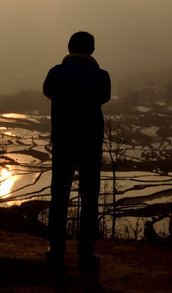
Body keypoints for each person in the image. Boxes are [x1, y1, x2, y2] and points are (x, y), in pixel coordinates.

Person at [43, 31, 111, 270]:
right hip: (91, 143)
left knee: (59, 197)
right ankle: (86, 252)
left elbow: (48, 92)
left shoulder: (56, 73)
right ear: (92, 50)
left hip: (63, 141)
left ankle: (56, 249)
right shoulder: (101, 76)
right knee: (90, 198)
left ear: (69, 47)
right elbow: (104, 98)